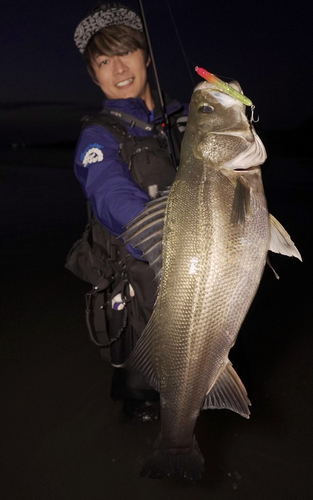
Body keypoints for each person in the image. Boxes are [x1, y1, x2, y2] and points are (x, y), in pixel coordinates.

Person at [73, 2, 188, 420]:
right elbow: (111, 197)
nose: (118, 67)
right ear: (94, 74)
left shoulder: (188, 121)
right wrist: (170, 243)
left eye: (126, 51)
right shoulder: (99, 136)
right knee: (150, 415)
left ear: (146, 55)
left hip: (204, 293)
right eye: (104, 60)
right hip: (144, 299)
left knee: (214, 393)